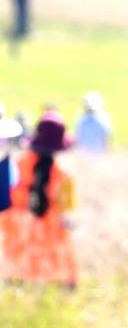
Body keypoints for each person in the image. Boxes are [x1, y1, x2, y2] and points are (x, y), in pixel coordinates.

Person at [0, 112, 78, 286]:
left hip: (15, 251)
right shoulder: (65, 178)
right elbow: (68, 219)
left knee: (15, 291)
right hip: (49, 266)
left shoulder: (14, 167)